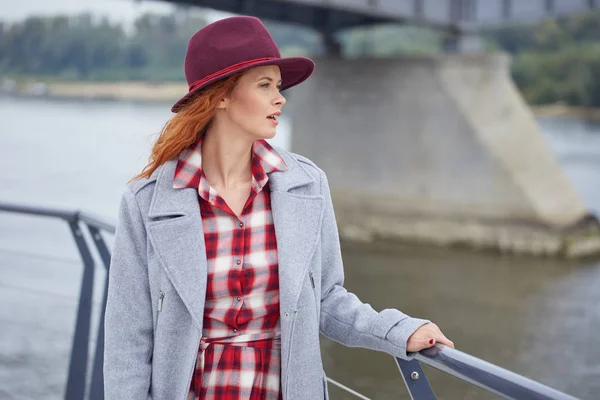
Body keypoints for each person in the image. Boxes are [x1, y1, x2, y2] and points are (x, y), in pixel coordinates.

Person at [103, 15, 454, 400]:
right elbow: (128, 339)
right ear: (220, 96)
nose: (280, 98)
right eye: (265, 85)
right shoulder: (146, 202)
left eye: (279, 86)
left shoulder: (306, 186)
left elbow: (327, 299)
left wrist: (398, 331)